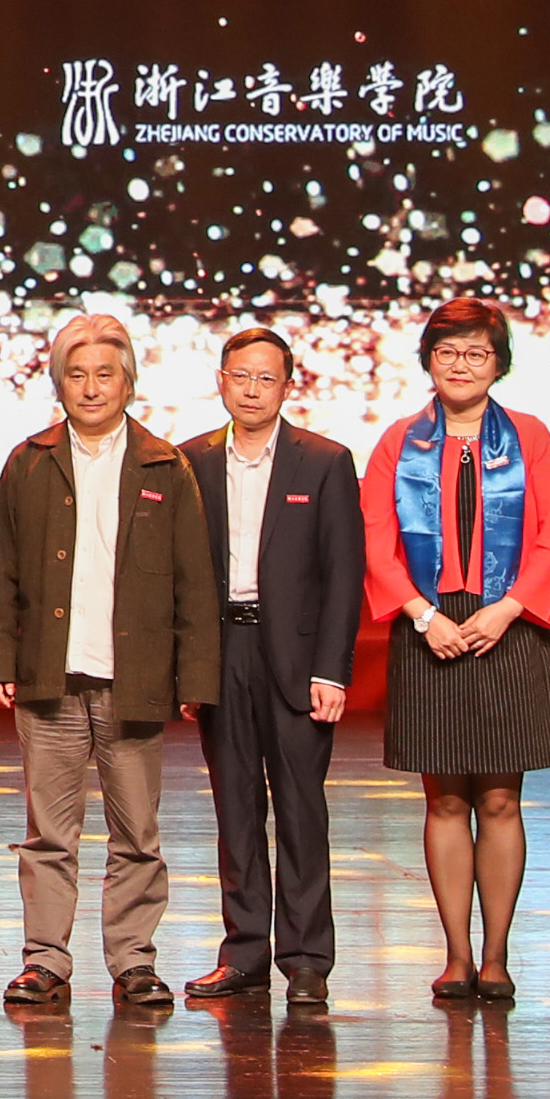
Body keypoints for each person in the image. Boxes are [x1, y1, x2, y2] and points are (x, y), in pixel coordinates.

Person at [0, 311, 218, 1012]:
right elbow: (5, 572)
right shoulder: (29, 462)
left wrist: (194, 677)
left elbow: (194, 581)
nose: (91, 388)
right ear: (59, 383)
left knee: (137, 835)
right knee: (47, 836)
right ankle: (44, 961)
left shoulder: (165, 464)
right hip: (49, 677)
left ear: (128, 382)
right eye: (78, 375)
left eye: (105, 375)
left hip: (134, 680)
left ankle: (134, 962)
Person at [362, 296, 550, 1007]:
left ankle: (496, 957)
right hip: (429, 628)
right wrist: (424, 616)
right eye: (448, 352)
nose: (461, 365)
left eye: (477, 353)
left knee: (501, 797)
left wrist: (508, 609)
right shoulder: (399, 442)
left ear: (499, 364)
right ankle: (456, 955)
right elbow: (376, 542)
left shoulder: (531, 438)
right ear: (429, 359)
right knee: (446, 798)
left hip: (508, 625)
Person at [185, 325, 364, 1011]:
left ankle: (308, 959)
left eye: (266, 378)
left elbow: (343, 574)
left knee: (300, 809)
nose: (252, 390)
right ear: (221, 380)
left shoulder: (324, 461)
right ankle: (244, 954)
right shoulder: (192, 461)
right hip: (221, 650)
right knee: (234, 808)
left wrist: (332, 670)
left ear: (288, 386)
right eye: (241, 376)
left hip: (296, 658)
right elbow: (180, 575)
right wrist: (187, 669)